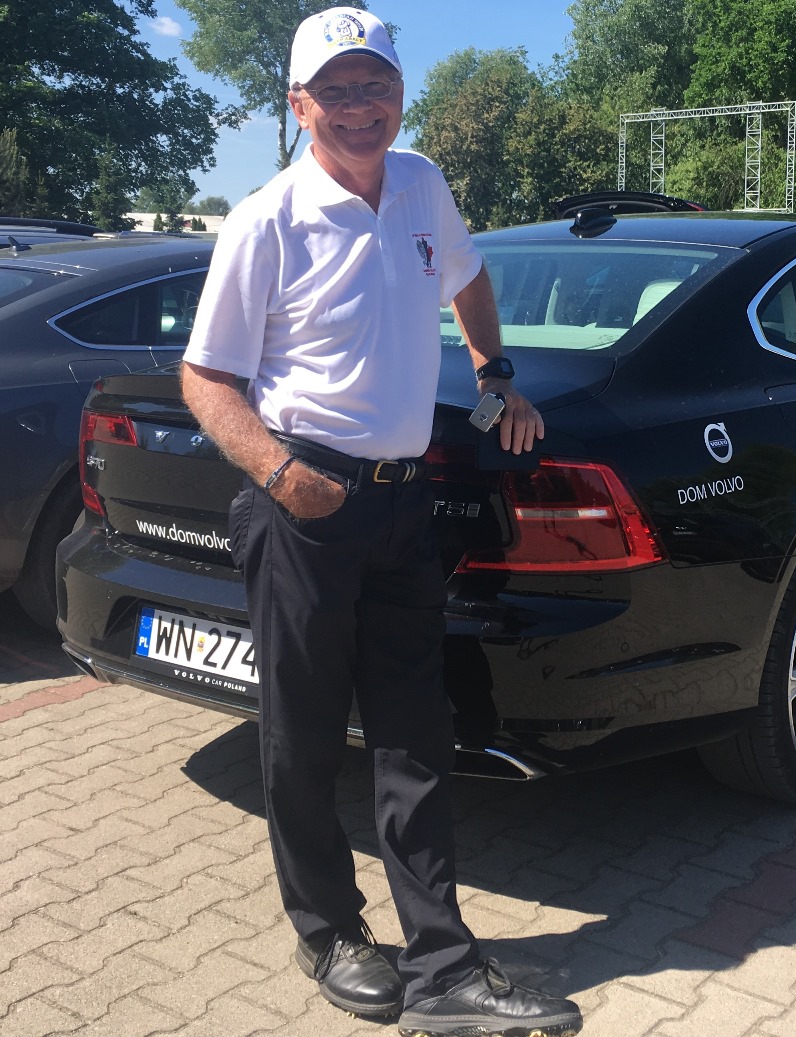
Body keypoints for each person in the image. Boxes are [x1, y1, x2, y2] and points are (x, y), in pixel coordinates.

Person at [179, 8, 582, 1037]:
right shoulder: (266, 219)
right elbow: (206, 377)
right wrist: (282, 473)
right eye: (337, 89)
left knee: (415, 733)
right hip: (303, 508)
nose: (360, 107)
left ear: (400, 95)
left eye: (377, 86)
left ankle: (443, 966)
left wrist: (496, 376)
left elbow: (470, 278)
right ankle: (327, 930)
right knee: (304, 733)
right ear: (298, 104)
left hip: (406, 505)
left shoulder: (421, 183)